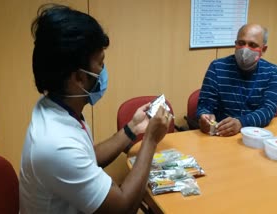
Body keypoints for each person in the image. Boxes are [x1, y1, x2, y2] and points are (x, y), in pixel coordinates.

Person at [19, 4, 173, 214]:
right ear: (78, 78)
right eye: (100, 64)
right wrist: (151, 140)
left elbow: (87, 156)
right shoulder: (56, 144)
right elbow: (124, 208)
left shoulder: (55, 108)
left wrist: (132, 129)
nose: (103, 71)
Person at [197, 24, 277, 137]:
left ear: (263, 49)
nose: (245, 49)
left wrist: (241, 123)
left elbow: (268, 110)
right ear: (235, 44)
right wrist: (204, 117)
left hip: (256, 135)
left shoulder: (273, 72)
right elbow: (204, 105)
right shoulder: (217, 67)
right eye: (241, 43)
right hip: (222, 135)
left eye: (252, 45)